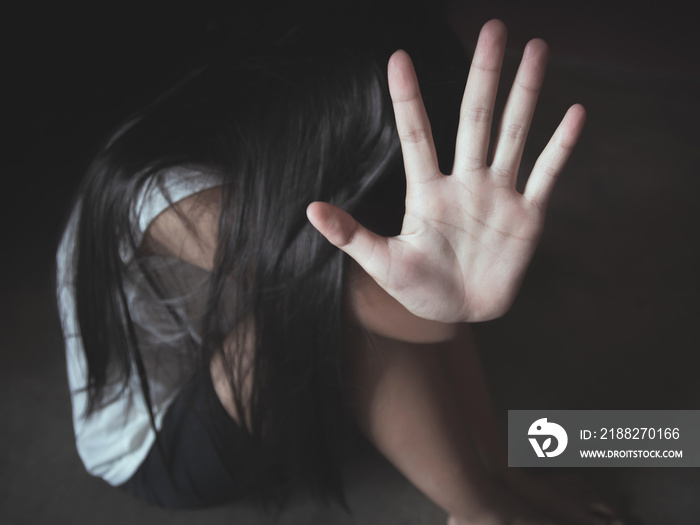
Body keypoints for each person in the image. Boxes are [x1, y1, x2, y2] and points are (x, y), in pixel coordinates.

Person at [56, 3, 620, 524]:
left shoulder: (257, 129)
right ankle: (481, 513)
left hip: (236, 357)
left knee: (376, 274)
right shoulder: (175, 198)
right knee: (344, 300)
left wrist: (503, 466)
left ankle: (491, 486)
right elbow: (419, 314)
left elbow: (428, 301)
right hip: (158, 448)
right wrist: (493, 494)